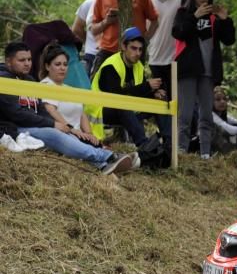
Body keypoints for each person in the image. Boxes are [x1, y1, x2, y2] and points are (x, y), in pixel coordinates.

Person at [0, 41, 136, 174]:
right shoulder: (4, 80)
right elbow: (16, 114)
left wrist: (59, 125)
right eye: (21, 60)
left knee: (65, 133)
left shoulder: (29, 80)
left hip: (35, 125)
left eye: (29, 59)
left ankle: (103, 165)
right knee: (54, 133)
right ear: (8, 62)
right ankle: (106, 156)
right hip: (17, 128)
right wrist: (53, 124)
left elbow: (41, 109)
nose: (27, 63)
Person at [171, 0, 235, 159]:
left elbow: (229, 40)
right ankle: (181, 152)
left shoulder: (215, 16)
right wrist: (195, 16)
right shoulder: (183, 12)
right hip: (188, 70)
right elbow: (178, 32)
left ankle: (205, 153)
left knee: (206, 114)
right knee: (185, 114)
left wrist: (226, 19)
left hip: (208, 71)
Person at [89, 27, 166, 146]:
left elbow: (139, 92)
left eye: (140, 49)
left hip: (127, 107)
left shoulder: (138, 66)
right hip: (100, 111)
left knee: (161, 102)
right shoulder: (111, 66)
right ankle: (144, 147)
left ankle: (168, 144)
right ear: (124, 47)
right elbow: (117, 96)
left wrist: (153, 93)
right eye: (134, 48)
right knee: (123, 106)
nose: (138, 53)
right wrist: (147, 86)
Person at [89, 0, 159, 78]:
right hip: (108, 49)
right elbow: (93, 29)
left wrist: (145, 39)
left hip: (133, 51)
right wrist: (107, 21)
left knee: (133, 88)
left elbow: (154, 20)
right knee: (97, 84)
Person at [147, 0, 188, 142]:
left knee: (176, 101)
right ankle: (165, 137)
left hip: (176, 58)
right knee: (159, 101)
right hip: (155, 57)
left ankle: (177, 140)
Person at [38, 43, 100, 146]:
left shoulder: (69, 89)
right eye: (58, 64)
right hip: (63, 135)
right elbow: (50, 109)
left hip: (79, 135)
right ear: (47, 66)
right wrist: (71, 129)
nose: (62, 68)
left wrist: (89, 134)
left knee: (97, 145)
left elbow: (81, 114)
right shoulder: (46, 85)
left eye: (65, 64)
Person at [71, 0, 111, 75]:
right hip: (92, 54)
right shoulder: (89, 3)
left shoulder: (123, 4)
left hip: (114, 55)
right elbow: (76, 28)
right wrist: (88, 42)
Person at [210, 86, 237, 152]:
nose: (222, 102)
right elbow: (230, 130)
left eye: (224, 99)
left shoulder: (222, 115)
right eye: (218, 99)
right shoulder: (210, 115)